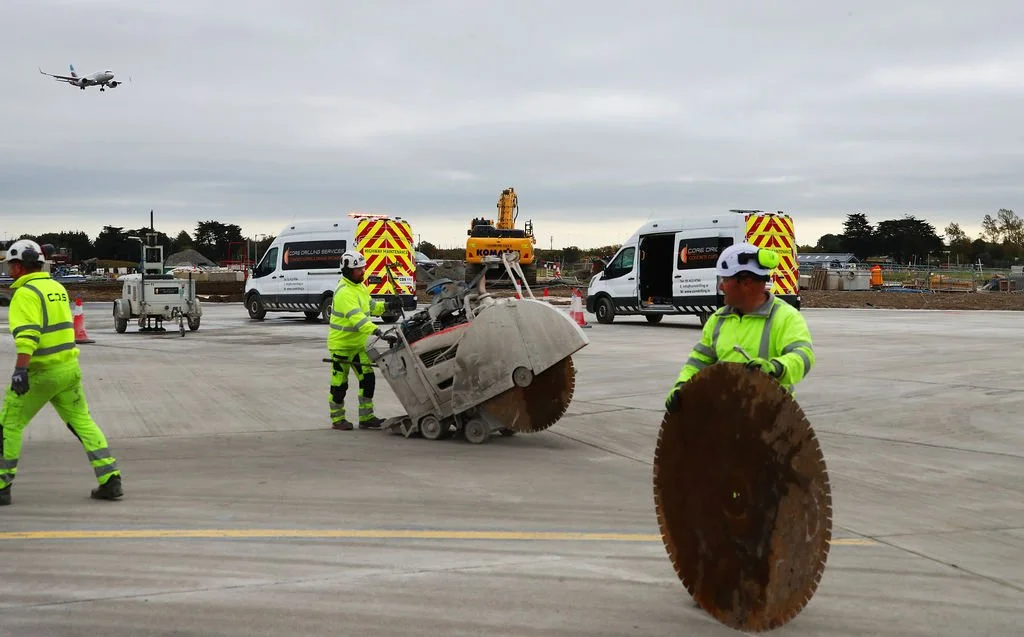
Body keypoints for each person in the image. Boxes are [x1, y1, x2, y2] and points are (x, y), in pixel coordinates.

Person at [1, 239, 123, 506]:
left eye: (11, 265)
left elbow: (29, 335)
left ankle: (2, 484)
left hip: (40, 372)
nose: (9, 270)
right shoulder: (56, 287)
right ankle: (110, 478)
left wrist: (20, 370)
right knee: (82, 423)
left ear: (20, 266)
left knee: (8, 425)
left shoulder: (25, 294)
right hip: (68, 369)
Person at [665, 242, 815, 413]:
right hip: (725, 418)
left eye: (725, 280)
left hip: (771, 421)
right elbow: (698, 361)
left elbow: (803, 356)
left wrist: (775, 368)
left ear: (746, 282)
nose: (720, 286)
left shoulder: (786, 317)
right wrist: (682, 387)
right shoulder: (718, 319)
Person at [327, 251, 401, 431]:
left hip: (358, 347)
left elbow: (372, 307)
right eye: (358, 269)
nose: (362, 272)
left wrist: (389, 305)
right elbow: (358, 320)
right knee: (340, 384)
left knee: (368, 379)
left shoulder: (359, 287)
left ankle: (366, 417)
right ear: (347, 271)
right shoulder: (344, 293)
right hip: (342, 347)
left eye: (362, 268)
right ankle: (338, 419)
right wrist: (378, 331)